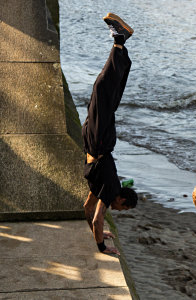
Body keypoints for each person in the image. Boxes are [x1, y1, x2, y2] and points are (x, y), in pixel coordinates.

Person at [82, 13, 138, 254]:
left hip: (96, 143)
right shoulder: (111, 190)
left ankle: (122, 50)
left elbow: (87, 210)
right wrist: (101, 246)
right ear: (122, 199)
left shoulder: (107, 189)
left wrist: (96, 231)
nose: (118, 210)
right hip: (99, 142)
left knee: (107, 96)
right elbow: (97, 218)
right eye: (122, 209)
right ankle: (119, 41)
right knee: (102, 90)